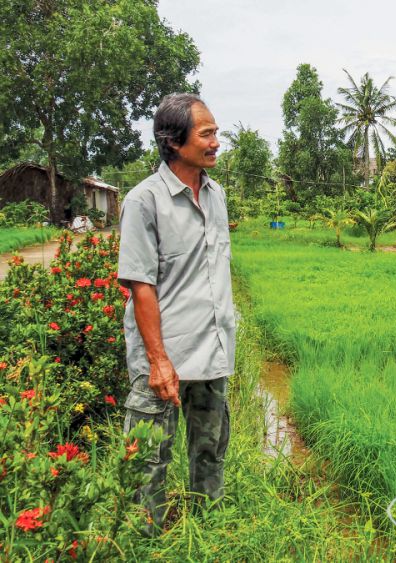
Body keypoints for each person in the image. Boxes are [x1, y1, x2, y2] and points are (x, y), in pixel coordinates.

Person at [117, 93, 235, 531]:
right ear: (174, 142)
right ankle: (147, 535)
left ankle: (208, 526)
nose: (216, 142)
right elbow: (140, 286)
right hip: (162, 356)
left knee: (210, 447)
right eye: (206, 134)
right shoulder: (144, 201)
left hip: (211, 350)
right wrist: (159, 360)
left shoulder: (217, 195)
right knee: (150, 455)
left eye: (215, 132)